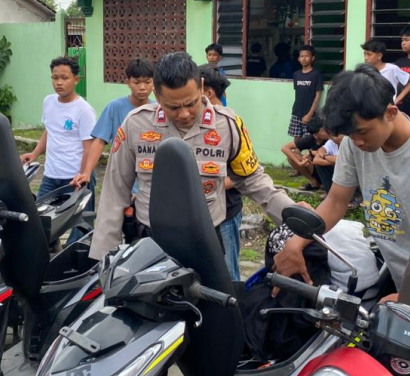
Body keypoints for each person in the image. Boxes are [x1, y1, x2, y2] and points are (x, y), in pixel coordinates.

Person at [91, 51, 298, 261]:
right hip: (150, 243)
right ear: (157, 95)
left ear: (201, 87)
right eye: (173, 107)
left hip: (206, 242)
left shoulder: (228, 125)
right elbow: (115, 191)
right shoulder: (136, 124)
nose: (184, 114)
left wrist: (295, 218)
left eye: (191, 104)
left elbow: (253, 180)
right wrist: (104, 258)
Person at [273, 64, 410, 292]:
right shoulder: (355, 144)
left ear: (391, 113)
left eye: (362, 132)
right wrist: (297, 243)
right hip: (395, 276)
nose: (357, 142)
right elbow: (336, 202)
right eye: (349, 135)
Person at [21, 57, 97, 205]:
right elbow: (49, 130)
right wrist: (34, 153)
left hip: (74, 177)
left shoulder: (84, 110)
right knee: (41, 216)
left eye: (64, 78)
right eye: (55, 78)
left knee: (79, 219)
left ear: (76, 80)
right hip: (51, 176)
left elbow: (89, 148)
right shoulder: (48, 102)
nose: (59, 82)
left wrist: (82, 176)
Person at [73, 58, 153, 190]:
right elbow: (99, 141)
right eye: (137, 82)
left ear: (153, 82)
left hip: (149, 184)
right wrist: (87, 172)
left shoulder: (159, 110)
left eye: (147, 82)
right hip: (121, 181)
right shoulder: (115, 107)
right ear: (128, 82)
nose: (142, 87)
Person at [200, 66, 245, 279]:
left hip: (226, 212)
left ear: (208, 92)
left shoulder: (231, 123)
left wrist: (202, 189)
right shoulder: (196, 123)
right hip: (200, 213)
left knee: (228, 275)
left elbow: (241, 175)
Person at [361, 39, 410, 107]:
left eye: (369, 55)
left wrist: (396, 101)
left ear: (379, 56)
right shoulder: (364, 70)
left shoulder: (392, 69)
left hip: (387, 108)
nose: (366, 58)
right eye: (364, 54)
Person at [281, 117, 329, 190]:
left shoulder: (332, 139)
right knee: (292, 157)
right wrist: (300, 163)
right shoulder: (310, 139)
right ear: (315, 135)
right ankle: (314, 182)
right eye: (324, 131)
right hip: (314, 167)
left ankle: (327, 185)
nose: (328, 132)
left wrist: (311, 153)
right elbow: (285, 148)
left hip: (328, 167)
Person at [289, 44, 323, 137]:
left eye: (307, 56)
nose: (304, 59)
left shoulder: (316, 74)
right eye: (302, 56)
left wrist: (310, 114)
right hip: (296, 112)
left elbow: (318, 96)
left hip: (310, 114)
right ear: (298, 59)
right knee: (296, 140)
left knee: (308, 139)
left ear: (312, 58)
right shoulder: (296, 74)